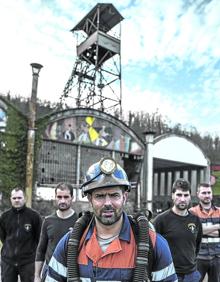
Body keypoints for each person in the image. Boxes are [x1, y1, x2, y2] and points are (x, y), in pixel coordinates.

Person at [45, 157, 178, 281]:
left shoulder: (153, 244)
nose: (107, 203)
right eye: (100, 196)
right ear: (90, 199)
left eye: (114, 195)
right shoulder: (70, 244)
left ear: (124, 198)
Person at [153, 178, 203, 282]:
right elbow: (153, 249)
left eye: (186, 195)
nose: (183, 199)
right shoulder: (161, 220)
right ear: (172, 196)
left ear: (190, 197)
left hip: (191, 275)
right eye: (179, 195)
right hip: (170, 275)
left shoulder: (195, 219)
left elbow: (197, 246)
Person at [34, 182, 78, 282]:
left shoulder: (79, 222)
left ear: (72, 198)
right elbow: (41, 250)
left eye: (66, 197)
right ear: (55, 198)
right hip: (50, 273)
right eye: (59, 197)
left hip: (72, 274)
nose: (62, 200)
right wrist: (37, 276)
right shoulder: (48, 221)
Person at [0, 187, 42, 282]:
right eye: (14, 198)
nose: (17, 200)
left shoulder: (34, 216)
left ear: (24, 198)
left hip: (28, 262)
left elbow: (39, 237)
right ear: (11, 199)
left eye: (19, 198)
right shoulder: (4, 216)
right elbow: (3, 237)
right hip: (8, 262)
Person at [190, 183, 220, 282]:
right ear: (198, 194)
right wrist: (217, 226)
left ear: (212, 194)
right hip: (198, 257)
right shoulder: (192, 212)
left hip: (217, 257)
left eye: (209, 192)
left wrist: (202, 230)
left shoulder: (219, 211)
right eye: (204, 193)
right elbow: (193, 232)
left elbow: (198, 230)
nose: (207, 195)